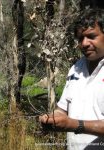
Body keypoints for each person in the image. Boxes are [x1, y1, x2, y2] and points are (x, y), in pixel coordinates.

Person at [39, 8, 104, 150]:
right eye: (80, 38)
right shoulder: (76, 68)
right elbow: (62, 109)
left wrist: (73, 125)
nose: (84, 43)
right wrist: (53, 118)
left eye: (91, 36)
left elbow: (71, 123)